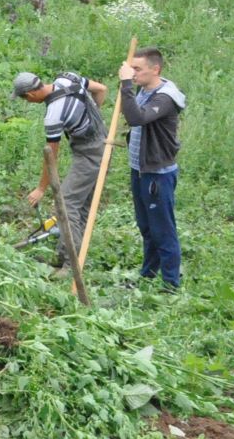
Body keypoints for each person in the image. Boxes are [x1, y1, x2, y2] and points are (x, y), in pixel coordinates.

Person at [13, 69, 111, 269]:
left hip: (89, 154)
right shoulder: (68, 78)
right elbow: (101, 89)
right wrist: (92, 119)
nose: (27, 102)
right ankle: (76, 254)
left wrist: (41, 188)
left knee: (66, 204)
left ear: (30, 95)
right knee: (81, 206)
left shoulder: (53, 115)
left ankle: (69, 264)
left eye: (25, 99)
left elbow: (51, 156)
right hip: (104, 143)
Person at [119, 47, 187, 290]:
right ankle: (147, 275)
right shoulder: (143, 90)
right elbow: (130, 112)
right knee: (146, 227)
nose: (133, 73)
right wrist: (129, 86)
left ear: (155, 69)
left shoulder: (165, 98)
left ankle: (171, 283)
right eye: (132, 69)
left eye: (138, 69)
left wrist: (126, 83)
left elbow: (138, 118)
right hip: (139, 170)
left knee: (163, 230)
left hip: (158, 174)